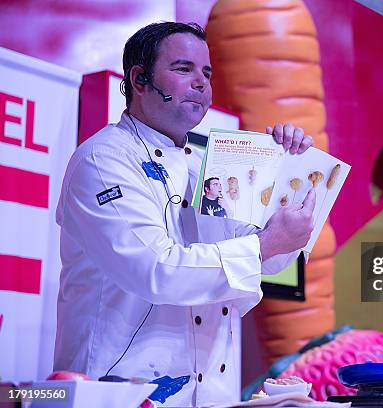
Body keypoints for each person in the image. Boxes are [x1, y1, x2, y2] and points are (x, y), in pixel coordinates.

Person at [53, 22, 315, 407]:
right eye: (182, 69)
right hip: (117, 391)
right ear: (139, 80)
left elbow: (273, 262)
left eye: (206, 73)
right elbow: (157, 269)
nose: (201, 83)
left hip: (211, 393)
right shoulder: (103, 159)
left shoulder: (209, 166)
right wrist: (263, 245)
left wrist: (287, 172)